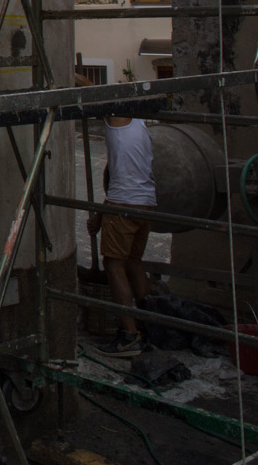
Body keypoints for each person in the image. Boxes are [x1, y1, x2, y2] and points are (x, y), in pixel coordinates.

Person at [86, 110, 155, 357]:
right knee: (133, 262)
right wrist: (100, 215)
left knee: (114, 264)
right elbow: (121, 177)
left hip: (124, 203)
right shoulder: (139, 124)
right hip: (144, 202)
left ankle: (129, 334)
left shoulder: (118, 119)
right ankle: (148, 327)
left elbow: (88, 88)